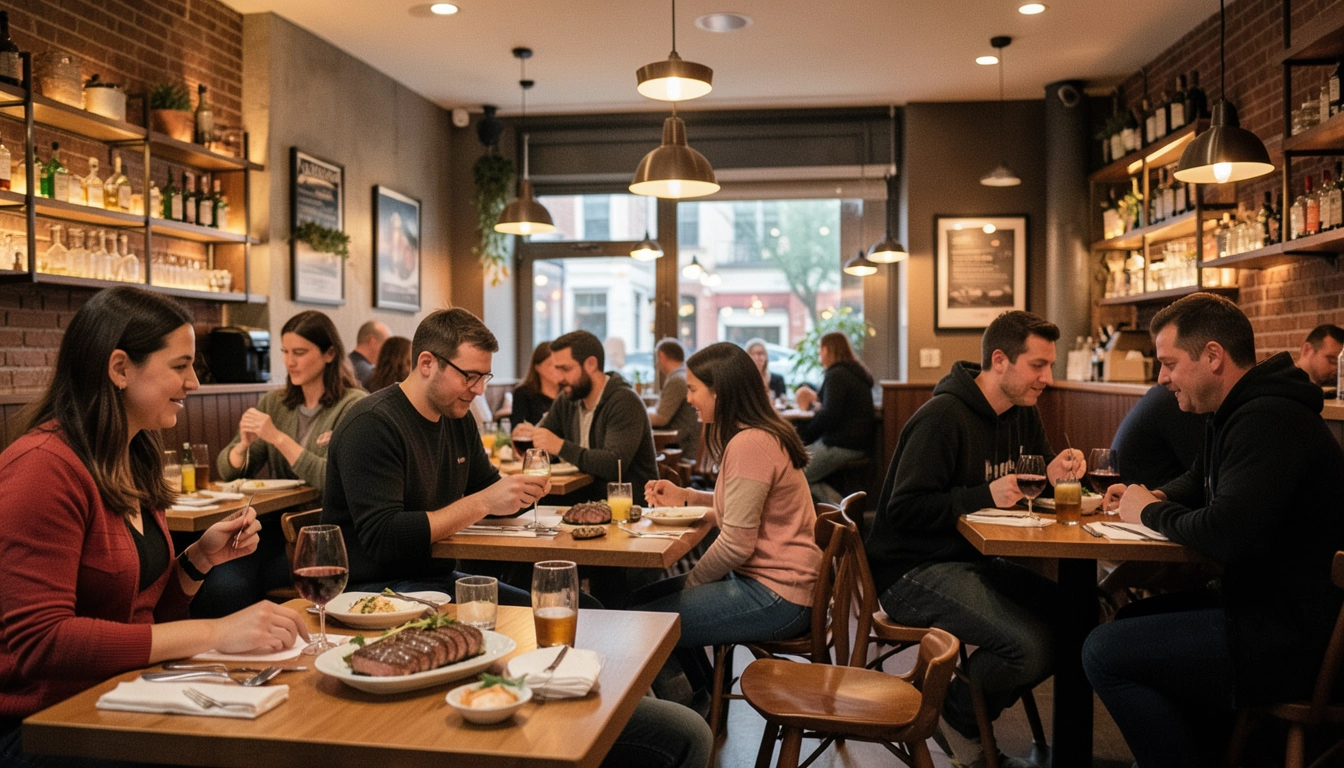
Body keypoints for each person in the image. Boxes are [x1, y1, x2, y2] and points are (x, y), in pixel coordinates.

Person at [0, 287, 307, 766]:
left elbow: (143, 619)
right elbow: (42, 643)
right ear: (120, 368)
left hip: (124, 696)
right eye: (180, 366)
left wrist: (198, 559)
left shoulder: (135, 457)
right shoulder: (42, 468)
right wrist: (214, 634)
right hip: (44, 726)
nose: (194, 384)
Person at [1088, 293, 1344, 768]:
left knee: (1103, 651)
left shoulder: (1269, 419)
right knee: (1126, 626)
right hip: (1261, 610)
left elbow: (1225, 533)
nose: (1161, 378)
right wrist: (1157, 496)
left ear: (1212, 356)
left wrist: (1146, 513)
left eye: (1169, 364)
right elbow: (1202, 479)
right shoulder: (1234, 411)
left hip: (1292, 635)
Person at [864, 310, 1084, 768]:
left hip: (973, 561)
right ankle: (955, 713)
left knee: (1081, 617)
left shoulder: (1023, 413)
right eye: (1038, 365)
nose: (1047, 377)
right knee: (1031, 648)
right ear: (999, 360)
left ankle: (958, 708)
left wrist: (1056, 471)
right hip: (912, 570)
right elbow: (903, 509)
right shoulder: (942, 416)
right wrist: (980, 495)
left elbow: (1038, 474)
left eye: (1050, 366)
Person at [636, 342, 821, 714]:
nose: (689, 399)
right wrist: (684, 496)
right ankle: (701, 696)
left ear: (719, 391)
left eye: (693, 389)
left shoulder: (750, 443)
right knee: (638, 604)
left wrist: (693, 583)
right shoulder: (760, 433)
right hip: (783, 587)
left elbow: (736, 543)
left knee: (647, 625)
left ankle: (684, 715)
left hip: (778, 596)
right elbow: (738, 511)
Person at [321, 308, 548, 598]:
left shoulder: (457, 418)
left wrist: (527, 491)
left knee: (573, 606)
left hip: (432, 578)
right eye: (470, 376)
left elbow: (489, 490)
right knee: (536, 616)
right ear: (427, 363)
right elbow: (385, 538)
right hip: (372, 590)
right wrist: (485, 502)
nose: (479, 390)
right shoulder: (373, 424)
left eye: (484, 377)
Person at [206, 311, 365, 617]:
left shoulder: (353, 405)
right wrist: (243, 445)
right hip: (272, 529)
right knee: (222, 586)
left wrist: (278, 438)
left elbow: (333, 481)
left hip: (324, 534)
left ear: (330, 353)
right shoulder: (275, 403)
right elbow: (228, 471)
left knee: (237, 583)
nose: (290, 362)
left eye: (300, 353)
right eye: (285, 352)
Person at [514, 330, 658, 506]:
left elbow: (613, 465)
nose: (558, 378)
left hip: (628, 510)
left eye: (565, 369)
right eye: (556, 369)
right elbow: (544, 438)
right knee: (518, 506)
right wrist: (532, 437)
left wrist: (560, 446)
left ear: (591, 364)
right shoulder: (568, 398)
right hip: (583, 501)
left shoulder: (624, 401)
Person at [793, 332, 876, 504]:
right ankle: (842, 511)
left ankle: (841, 514)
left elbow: (830, 415)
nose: (819, 355)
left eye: (820, 350)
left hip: (842, 443)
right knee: (800, 473)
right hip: (859, 442)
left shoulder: (837, 375)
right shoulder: (854, 372)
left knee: (795, 475)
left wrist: (805, 434)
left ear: (826, 350)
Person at [1110, 383, 1205, 489]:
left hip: (1132, 495)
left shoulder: (1171, 396)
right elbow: (1207, 476)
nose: (1161, 378)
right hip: (1133, 497)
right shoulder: (1177, 399)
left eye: (1170, 366)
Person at [647, 338, 700, 459]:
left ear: (661, 355)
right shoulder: (683, 375)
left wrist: (639, 414)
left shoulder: (677, 380)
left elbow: (661, 418)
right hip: (685, 441)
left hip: (681, 447)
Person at [508, 341, 560, 430]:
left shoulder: (568, 393)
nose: (557, 369)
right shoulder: (523, 393)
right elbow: (517, 429)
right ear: (537, 367)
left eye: (559, 365)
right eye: (551, 364)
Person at [1295, 323, 1344, 387]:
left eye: (1341, 363)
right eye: (1332, 360)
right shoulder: (1283, 387)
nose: (1337, 368)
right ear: (1307, 349)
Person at [349, 320, 391, 389]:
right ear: (372, 341)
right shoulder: (371, 375)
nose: (388, 351)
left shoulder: (343, 364)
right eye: (386, 345)